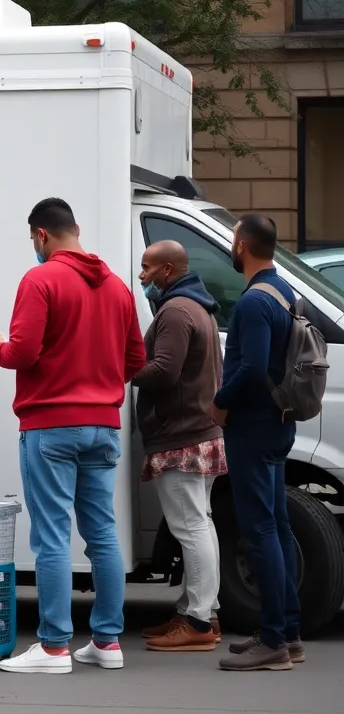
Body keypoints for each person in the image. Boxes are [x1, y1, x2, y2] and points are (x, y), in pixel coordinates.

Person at [0, 198, 145, 674]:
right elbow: (135, 360)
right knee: (102, 534)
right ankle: (108, 642)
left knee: (51, 536)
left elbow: (24, 352)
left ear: (41, 236)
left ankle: (53, 647)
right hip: (104, 425)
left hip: (50, 425)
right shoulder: (116, 287)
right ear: (76, 229)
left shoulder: (40, 279)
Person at [214, 215, 303, 672]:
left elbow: (250, 368)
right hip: (278, 423)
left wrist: (219, 403)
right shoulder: (284, 292)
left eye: (232, 239)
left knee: (261, 530)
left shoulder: (253, 303)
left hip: (252, 426)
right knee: (279, 527)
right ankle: (288, 631)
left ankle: (273, 642)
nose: (232, 246)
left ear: (243, 245)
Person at [132, 240, 226, 652]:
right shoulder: (198, 306)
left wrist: (122, 366)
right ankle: (197, 610)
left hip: (181, 437)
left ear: (168, 271)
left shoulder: (173, 310)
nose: (142, 277)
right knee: (200, 523)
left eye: (147, 268)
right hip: (200, 433)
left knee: (191, 527)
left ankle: (199, 623)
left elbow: (164, 372)